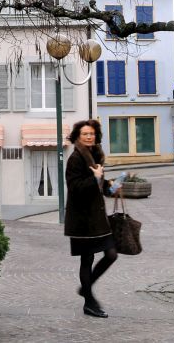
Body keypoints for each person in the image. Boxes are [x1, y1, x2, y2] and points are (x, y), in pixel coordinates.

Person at [65, 119, 117, 318]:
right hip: (82, 220)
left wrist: (111, 187)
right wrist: (94, 178)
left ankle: (86, 289)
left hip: (97, 218)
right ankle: (89, 302)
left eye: (92, 134)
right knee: (86, 260)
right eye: (85, 134)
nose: (89, 137)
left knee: (111, 254)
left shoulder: (96, 155)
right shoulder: (76, 158)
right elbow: (75, 188)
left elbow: (100, 187)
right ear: (78, 136)